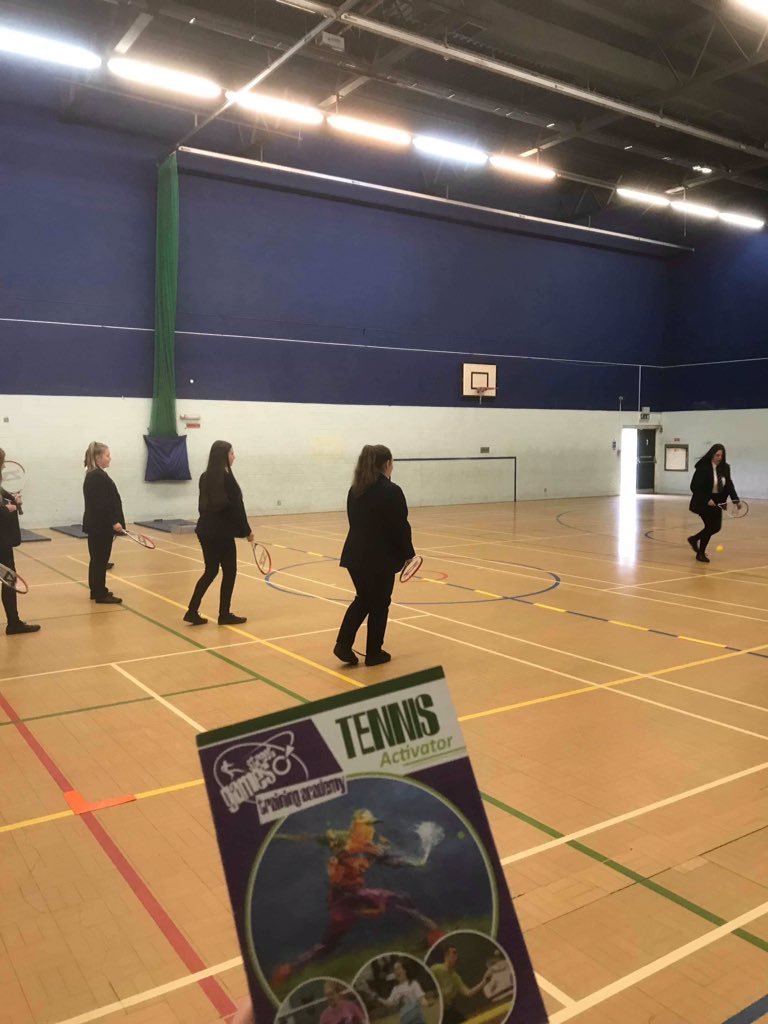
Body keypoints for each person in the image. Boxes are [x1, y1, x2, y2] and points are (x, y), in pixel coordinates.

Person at [271, 809, 442, 987]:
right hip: (342, 899)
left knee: (398, 900)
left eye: (372, 826)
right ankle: (287, 970)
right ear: (356, 826)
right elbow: (312, 838)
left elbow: (391, 861)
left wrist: (411, 863)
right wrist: (283, 837)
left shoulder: (371, 849)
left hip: (356, 894)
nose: (371, 830)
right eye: (367, 825)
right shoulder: (340, 839)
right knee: (328, 945)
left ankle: (434, 934)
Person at [334, 445, 414, 667]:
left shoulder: (355, 490)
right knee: (379, 603)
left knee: (364, 599)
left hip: (354, 556)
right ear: (387, 464)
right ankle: (373, 652)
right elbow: (399, 526)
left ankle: (343, 644)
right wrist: (409, 554)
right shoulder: (392, 491)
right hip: (379, 559)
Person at [184, 440, 253, 626]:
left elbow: (203, 505)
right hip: (221, 533)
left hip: (205, 530)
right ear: (224, 456)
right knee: (229, 572)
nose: (234, 456)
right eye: (231, 453)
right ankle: (224, 614)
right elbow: (238, 508)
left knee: (211, 570)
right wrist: (247, 531)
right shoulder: (227, 479)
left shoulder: (204, 477)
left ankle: (192, 610)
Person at [0, 448, 40, 635]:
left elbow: (4, 494)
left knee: (10, 580)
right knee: (10, 580)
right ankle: (13, 622)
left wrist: (13, 499)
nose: (3, 465)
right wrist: (6, 509)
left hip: (4, 542)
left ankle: (13, 622)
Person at [83, 442, 125, 604]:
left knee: (98, 560)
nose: (110, 458)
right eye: (107, 455)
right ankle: (100, 593)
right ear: (98, 457)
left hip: (98, 526)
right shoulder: (96, 476)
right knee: (100, 560)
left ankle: (97, 590)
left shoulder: (97, 474)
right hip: (100, 527)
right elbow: (102, 505)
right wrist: (114, 522)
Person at [687, 443, 741, 563]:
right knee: (711, 526)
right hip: (702, 501)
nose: (719, 458)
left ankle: (694, 539)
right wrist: (707, 499)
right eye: (717, 455)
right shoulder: (703, 467)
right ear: (712, 454)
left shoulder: (725, 468)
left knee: (715, 527)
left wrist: (735, 500)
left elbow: (729, 485)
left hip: (718, 502)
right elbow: (694, 486)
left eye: (722, 455)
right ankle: (700, 553)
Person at [431, 946, 492, 1024]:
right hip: (436, 1011)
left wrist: (484, 981)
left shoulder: (455, 977)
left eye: (456, 955)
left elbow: (468, 993)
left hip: (447, 1010)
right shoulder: (436, 969)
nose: (455, 957)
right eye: (453, 955)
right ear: (446, 956)